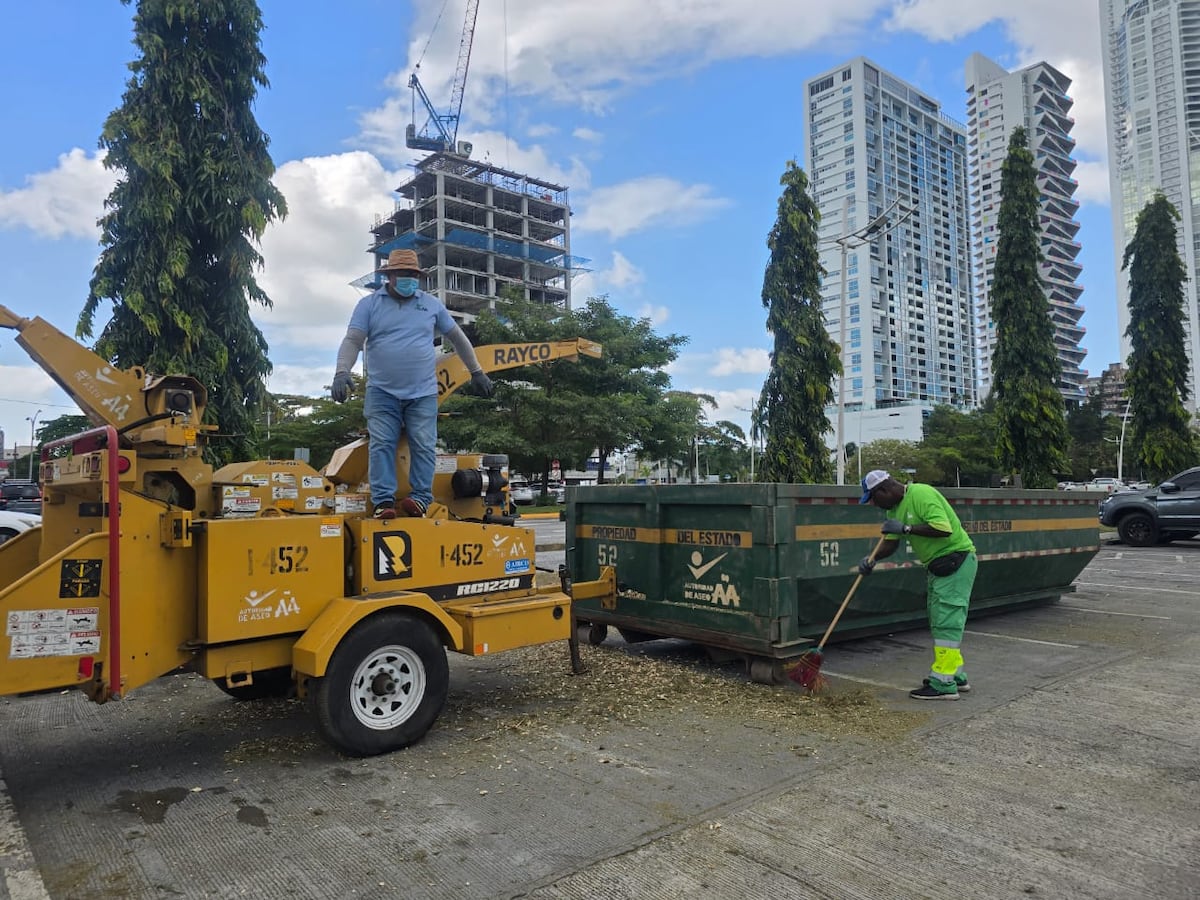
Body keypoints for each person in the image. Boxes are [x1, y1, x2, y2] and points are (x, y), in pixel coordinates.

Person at [331, 248, 493, 519]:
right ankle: (383, 502)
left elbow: (458, 338)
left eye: (413, 275)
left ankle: (419, 499)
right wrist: (341, 371)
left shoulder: (431, 305)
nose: (409, 279)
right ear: (390, 276)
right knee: (381, 443)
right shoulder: (369, 305)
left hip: (422, 392)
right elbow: (353, 340)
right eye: (403, 274)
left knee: (424, 444)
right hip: (382, 391)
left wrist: (476, 371)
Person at [857, 469, 978, 700]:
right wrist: (871, 560)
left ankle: (943, 684)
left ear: (884, 490)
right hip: (938, 566)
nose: (874, 505)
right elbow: (891, 544)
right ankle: (955, 674)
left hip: (956, 560)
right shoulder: (894, 510)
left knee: (947, 622)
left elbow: (943, 529)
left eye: (873, 499)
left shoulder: (922, 494)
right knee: (939, 620)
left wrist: (906, 529)